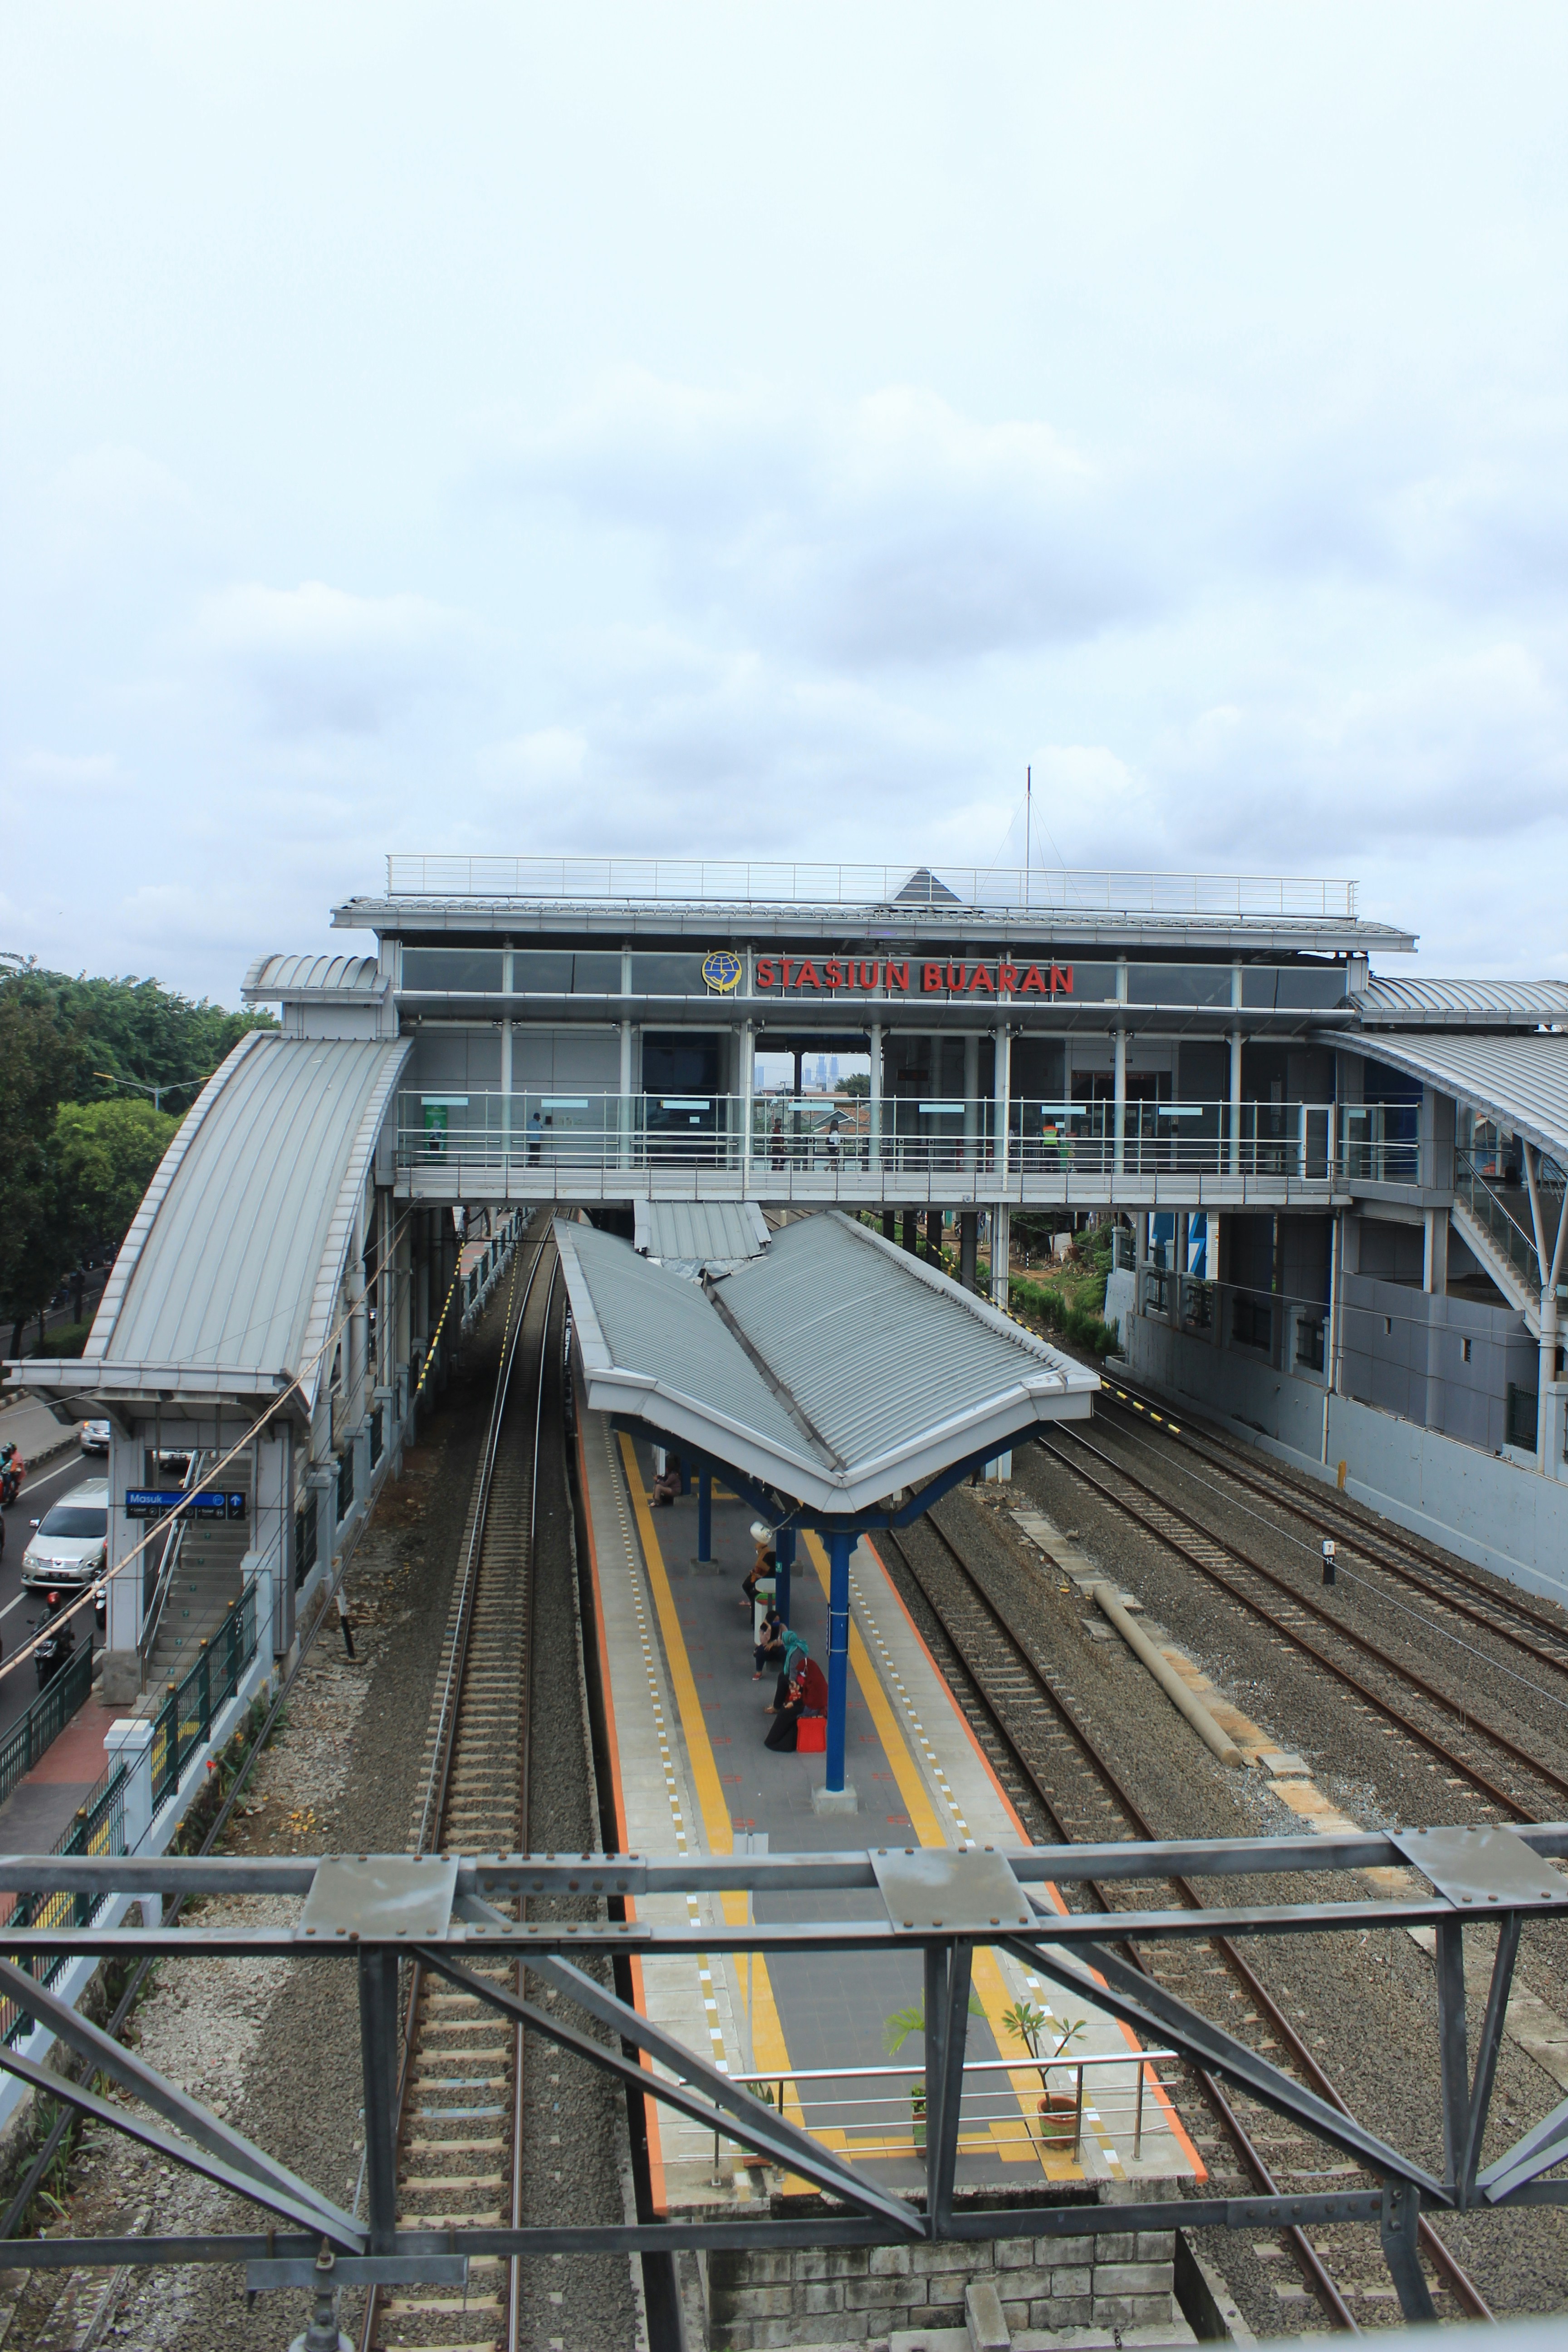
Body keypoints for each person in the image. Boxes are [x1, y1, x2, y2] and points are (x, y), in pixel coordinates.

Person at [753, 1606, 784, 1679]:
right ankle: (759, 1672)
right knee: (761, 1650)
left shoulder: (782, 1627)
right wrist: (769, 1629)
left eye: (778, 1620)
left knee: (785, 1650)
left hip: (779, 1648)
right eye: (775, 1620)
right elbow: (763, 1642)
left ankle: (786, 1672)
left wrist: (774, 1643)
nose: (777, 1622)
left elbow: (785, 1641)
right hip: (768, 1650)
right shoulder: (763, 1628)